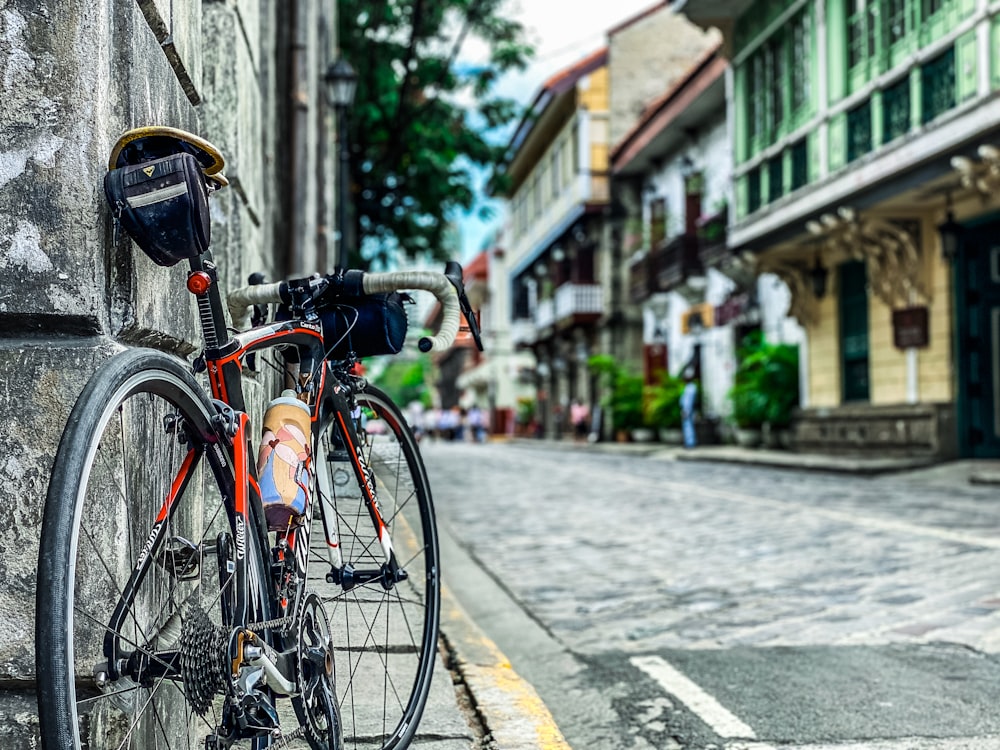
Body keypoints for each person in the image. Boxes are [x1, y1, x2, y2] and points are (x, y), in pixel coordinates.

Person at [680, 370, 698, 449]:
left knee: (688, 426)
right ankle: (689, 442)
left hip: (688, 410)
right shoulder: (690, 387)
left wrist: (686, 411)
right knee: (688, 426)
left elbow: (688, 401)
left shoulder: (690, 388)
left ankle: (690, 443)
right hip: (687, 409)